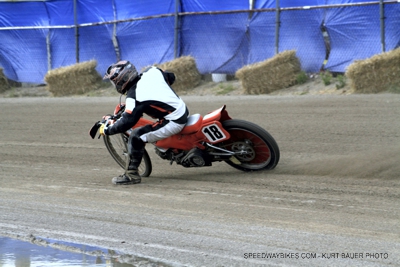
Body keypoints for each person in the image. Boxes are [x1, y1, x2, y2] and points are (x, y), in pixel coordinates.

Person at [100, 60, 189, 185]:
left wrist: (106, 130)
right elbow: (170, 77)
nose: (114, 85)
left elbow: (127, 122)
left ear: (122, 79)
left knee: (136, 136)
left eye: (114, 81)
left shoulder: (133, 96)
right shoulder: (152, 71)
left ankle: (131, 175)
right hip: (181, 108)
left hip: (175, 120)